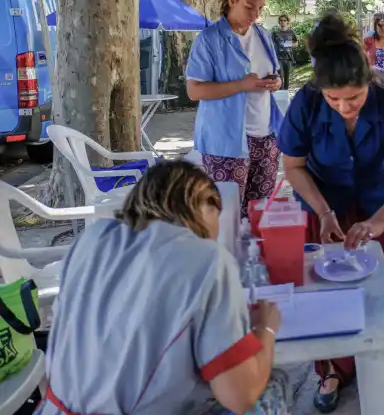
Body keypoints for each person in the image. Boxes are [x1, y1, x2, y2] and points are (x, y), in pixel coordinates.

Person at [38, 161, 288, 414]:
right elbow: (240, 394)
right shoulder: (207, 257)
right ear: (202, 206)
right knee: (270, 386)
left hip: (51, 409)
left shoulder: (91, 239)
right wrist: (265, 328)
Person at [279, 12, 384, 413]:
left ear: (368, 83)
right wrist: (324, 212)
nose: (345, 106)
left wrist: (380, 221)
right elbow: (293, 165)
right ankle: (331, 369)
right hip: (325, 203)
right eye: (334, 99)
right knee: (326, 295)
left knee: (382, 291)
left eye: (354, 98)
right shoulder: (306, 100)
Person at [186, 0, 284, 218]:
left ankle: (254, 257)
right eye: (249, 7)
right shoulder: (209, 40)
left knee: (260, 215)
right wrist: (241, 84)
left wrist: (276, 82)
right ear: (232, 0)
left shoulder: (263, 35)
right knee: (227, 216)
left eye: (260, 8)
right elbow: (194, 90)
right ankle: (226, 258)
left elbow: (273, 73)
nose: (255, 14)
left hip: (266, 136)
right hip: (227, 142)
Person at [272, 14, 297, 90]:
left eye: (284, 20)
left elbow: (296, 43)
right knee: (281, 77)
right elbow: (271, 46)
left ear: (287, 22)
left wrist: (287, 44)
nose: (282, 22)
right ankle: (281, 93)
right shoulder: (275, 33)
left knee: (287, 79)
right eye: (281, 20)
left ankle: (285, 95)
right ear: (279, 22)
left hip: (288, 59)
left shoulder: (291, 32)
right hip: (279, 59)